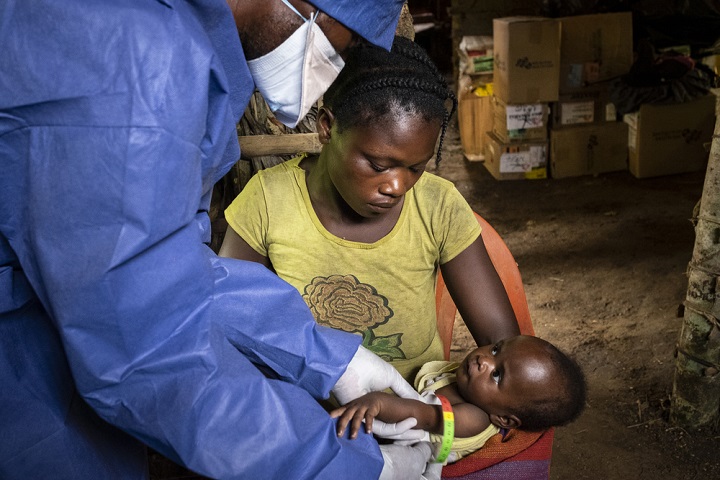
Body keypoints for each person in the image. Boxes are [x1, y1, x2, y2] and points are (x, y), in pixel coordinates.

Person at [0, 1, 438, 479]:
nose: (335, 63)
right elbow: (153, 354)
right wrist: (351, 467)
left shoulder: (187, 46)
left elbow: (168, 265)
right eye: (345, 40)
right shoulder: (139, 61)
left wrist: (331, 358)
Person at [220, 35, 521, 384]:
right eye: (378, 165)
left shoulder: (438, 206)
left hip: (414, 407)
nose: (397, 187)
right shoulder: (268, 201)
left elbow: (507, 349)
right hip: (308, 413)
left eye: (416, 167)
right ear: (327, 128)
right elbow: (228, 322)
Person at [331, 335, 587, 464]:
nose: (483, 360)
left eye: (497, 375)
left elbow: (423, 415)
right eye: (496, 349)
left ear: (504, 418)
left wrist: (376, 402)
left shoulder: (473, 419)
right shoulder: (466, 383)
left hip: (397, 456)